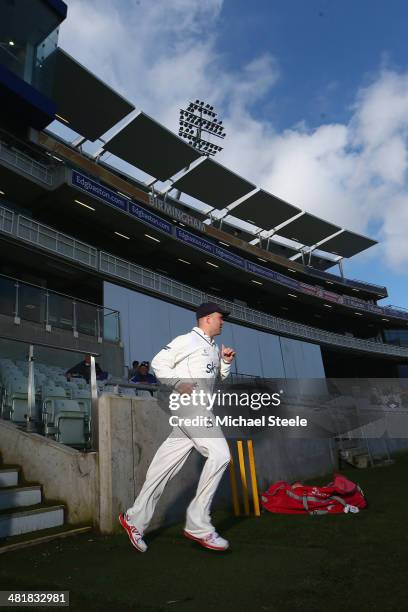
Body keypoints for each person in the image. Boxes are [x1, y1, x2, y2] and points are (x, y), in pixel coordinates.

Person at [119, 302, 236, 553]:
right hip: (191, 407)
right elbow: (159, 362)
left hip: (196, 411)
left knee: (162, 469)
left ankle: (134, 519)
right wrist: (178, 382)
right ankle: (199, 524)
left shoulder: (213, 348)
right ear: (206, 319)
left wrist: (225, 362)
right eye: (219, 317)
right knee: (221, 455)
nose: (223, 321)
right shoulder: (187, 340)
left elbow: (220, 380)